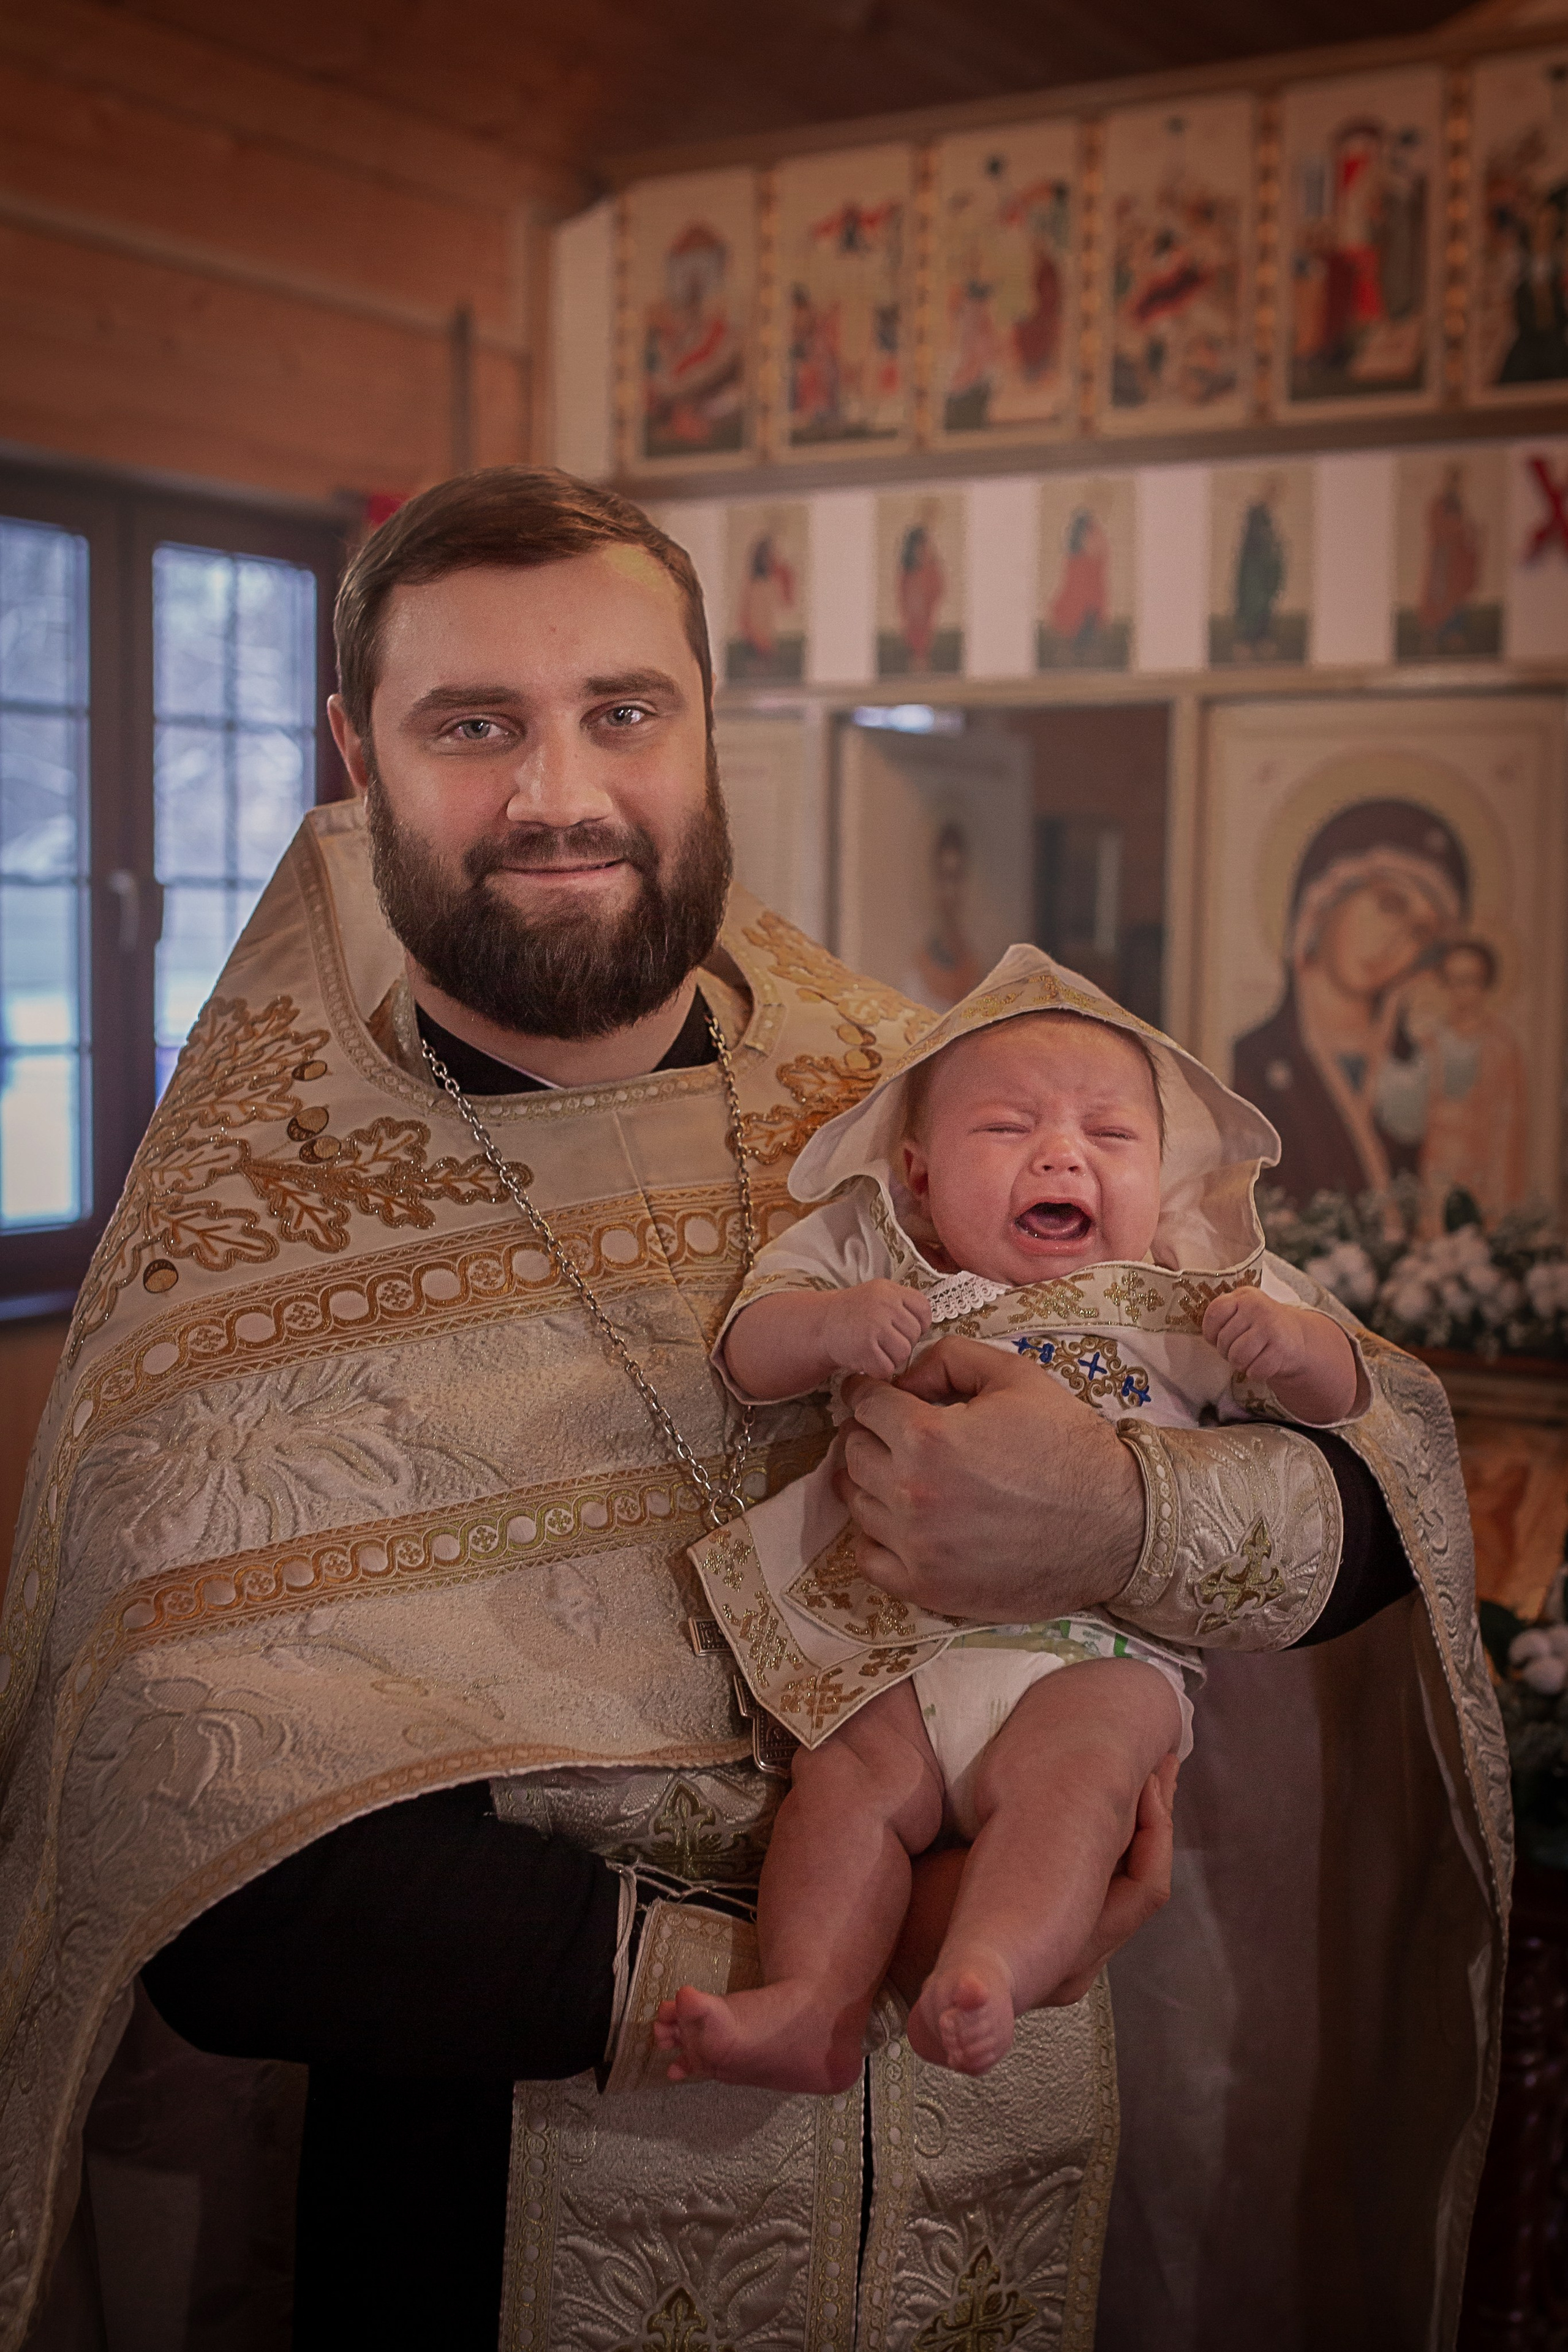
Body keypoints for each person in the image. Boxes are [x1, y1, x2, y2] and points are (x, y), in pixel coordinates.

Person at [0, 469, 1505, 2352]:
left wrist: (1119, 1520)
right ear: (354, 757)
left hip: (1000, 2179)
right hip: (500, 2209)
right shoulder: (248, 1228)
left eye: (621, 710)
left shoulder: (931, 1102)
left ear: (708, 727)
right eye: (476, 724)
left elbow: (1382, 1471)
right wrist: (817, 1963)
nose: (561, 791)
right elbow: (188, 1849)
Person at [658, 977, 1359, 2093]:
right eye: (1008, 1126)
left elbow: (1347, 1397)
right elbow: (748, 1351)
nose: (1064, 1159)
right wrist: (833, 1326)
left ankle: (992, 1965)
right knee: (843, 1787)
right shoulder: (882, 1253)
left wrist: (1287, 1343)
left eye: (1111, 1134)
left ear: (1162, 1174)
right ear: (920, 1177)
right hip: (896, 1640)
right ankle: (812, 2005)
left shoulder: (1181, 1293)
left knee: (1077, 1781)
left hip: (1093, 1653)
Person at [1232, 796, 1468, 1207]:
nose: (1396, 943)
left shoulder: (1418, 1068)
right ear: (1324, 898)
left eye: (1420, 933)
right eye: (1390, 904)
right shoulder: (1251, 1061)